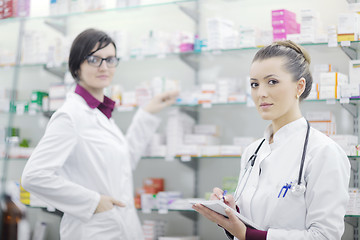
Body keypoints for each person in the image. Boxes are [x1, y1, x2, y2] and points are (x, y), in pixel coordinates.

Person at [21, 28, 178, 240]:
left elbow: (124, 162)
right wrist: (94, 202)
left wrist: (147, 113)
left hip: (121, 227)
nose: (104, 67)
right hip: (92, 230)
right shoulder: (70, 116)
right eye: (94, 59)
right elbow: (34, 177)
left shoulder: (100, 113)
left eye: (110, 59)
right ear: (77, 64)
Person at [193, 40, 350, 240]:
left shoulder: (324, 152)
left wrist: (248, 235)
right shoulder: (253, 151)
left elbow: (325, 236)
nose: (261, 93)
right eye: (254, 84)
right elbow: (255, 220)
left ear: (299, 87)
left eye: (272, 82)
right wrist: (231, 212)